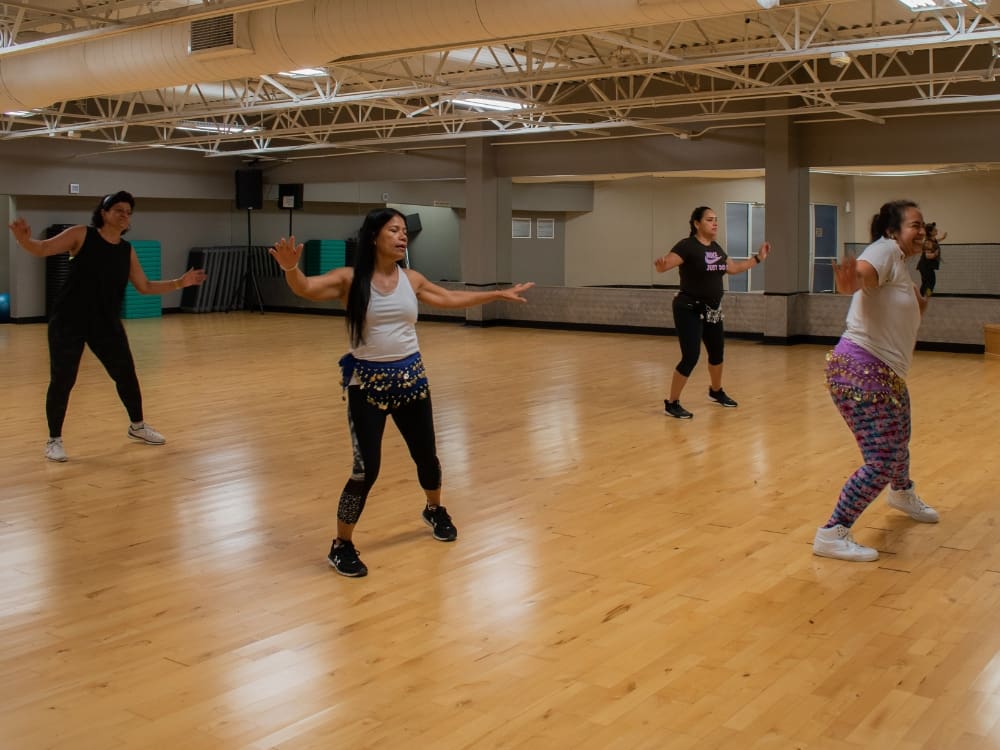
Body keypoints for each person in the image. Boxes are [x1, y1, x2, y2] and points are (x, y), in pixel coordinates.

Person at [269, 207, 534, 578]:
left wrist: (497, 295)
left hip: (412, 380)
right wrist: (290, 268)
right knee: (366, 471)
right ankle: (341, 544)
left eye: (404, 231)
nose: (402, 236)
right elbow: (306, 288)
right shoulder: (349, 279)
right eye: (394, 230)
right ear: (375, 236)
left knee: (427, 456)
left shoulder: (412, 279)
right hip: (368, 387)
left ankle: (435, 509)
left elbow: (449, 299)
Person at [8, 191, 207, 462]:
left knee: (126, 374)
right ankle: (54, 440)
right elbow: (43, 248)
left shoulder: (126, 250)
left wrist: (179, 283)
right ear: (104, 213)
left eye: (128, 212)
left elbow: (144, 286)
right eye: (119, 210)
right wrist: (23, 240)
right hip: (69, 320)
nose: (125, 216)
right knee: (63, 380)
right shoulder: (82, 235)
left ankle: (137, 427)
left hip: (105, 322)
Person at [813, 199, 940, 563]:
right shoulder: (884, 250)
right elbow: (862, 273)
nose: (921, 231)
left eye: (923, 225)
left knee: (900, 439)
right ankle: (832, 532)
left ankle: (901, 493)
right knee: (882, 458)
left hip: (886, 373)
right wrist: (849, 280)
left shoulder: (900, 266)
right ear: (892, 230)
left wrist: (930, 271)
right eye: (914, 225)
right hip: (861, 371)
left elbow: (920, 307)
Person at [653, 206, 771, 419]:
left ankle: (715, 391)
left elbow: (733, 268)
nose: (715, 223)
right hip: (688, 308)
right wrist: (661, 266)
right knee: (691, 356)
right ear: (697, 223)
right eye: (709, 220)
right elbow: (665, 264)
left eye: (716, 220)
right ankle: (671, 403)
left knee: (717, 353)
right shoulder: (687, 246)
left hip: (712, 309)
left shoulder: (716, 248)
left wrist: (758, 258)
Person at [916, 221, 945, 297]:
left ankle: (922, 296)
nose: (937, 230)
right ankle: (925, 296)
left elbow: (936, 241)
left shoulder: (932, 240)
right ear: (930, 232)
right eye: (935, 230)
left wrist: (943, 238)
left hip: (927, 266)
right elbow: (928, 256)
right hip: (925, 266)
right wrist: (935, 253)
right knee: (930, 283)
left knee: (927, 282)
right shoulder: (928, 242)